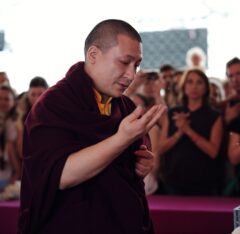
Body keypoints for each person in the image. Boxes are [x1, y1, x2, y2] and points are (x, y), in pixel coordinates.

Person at [18, 19, 166, 234]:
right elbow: (60, 175)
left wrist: (141, 165)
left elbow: (129, 168)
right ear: (93, 55)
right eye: (124, 62)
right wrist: (121, 139)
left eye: (136, 65)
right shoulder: (54, 104)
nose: (131, 75)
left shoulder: (124, 106)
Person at [158, 68, 223, 195]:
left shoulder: (214, 116)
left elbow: (213, 152)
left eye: (199, 82)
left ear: (205, 88)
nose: (194, 87)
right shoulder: (172, 113)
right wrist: (178, 134)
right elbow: (161, 148)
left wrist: (188, 130)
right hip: (174, 181)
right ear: (184, 86)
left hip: (205, 182)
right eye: (190, 82)